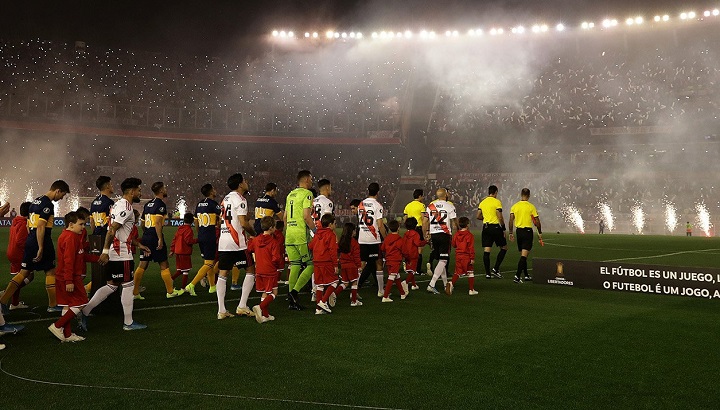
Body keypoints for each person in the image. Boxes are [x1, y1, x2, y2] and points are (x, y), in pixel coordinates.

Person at [0, 180, 70, 313]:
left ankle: (3, 301)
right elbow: (41, 226)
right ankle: (52, 304)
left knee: (23, 272)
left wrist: (31, 241)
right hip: (41, 240)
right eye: (62, 195)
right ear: (58, 191)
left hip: (30, 240)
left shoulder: (35, 201)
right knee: (50, 271)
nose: (61, 198)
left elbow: (28, 225)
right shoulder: (47, 204)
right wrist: (41, 247)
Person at [93, 177, 150, 331]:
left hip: (116, 251)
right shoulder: (127, 207)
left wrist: (139, 244)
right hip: (121, 253)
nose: (140, 192)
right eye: (138, 190)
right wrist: (105, 252)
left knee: (111, 286)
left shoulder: (117, 204)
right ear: (132, 192)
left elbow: (122, 233)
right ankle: (128, 322)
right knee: (128, 286)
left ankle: (85, 311)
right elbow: (112, 230)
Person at [215, 173, 256, 319]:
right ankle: (242, 306)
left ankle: (221, 310)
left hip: (224, 241)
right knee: (251, 270)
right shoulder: (241, 199)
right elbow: (244, 223)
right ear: (240, 185)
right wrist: (254, 233)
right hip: (237, 242)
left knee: (223, 273)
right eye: (244, 181)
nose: (246, 182)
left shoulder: (225, 199)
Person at [133, 181, 184, 299]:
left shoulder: (148, 204)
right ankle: (170, 292)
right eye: (164, 188)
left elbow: (142, 223)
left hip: (146, 236)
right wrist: (159, 238)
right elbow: (157, 223)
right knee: (164, 264)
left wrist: (146, 234)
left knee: (142, 265)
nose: (166, 189)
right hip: (155, 237)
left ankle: (135, 293)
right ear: (161, 191)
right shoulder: (160, 205)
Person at [48, 212, 91, 342]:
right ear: (71, 225)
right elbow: (69, 261)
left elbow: (79, 256)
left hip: (62, 276)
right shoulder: (71, 237)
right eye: (81, 224)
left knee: (67, 305)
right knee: (82, 302)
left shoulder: (65, 235)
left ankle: (67, 335)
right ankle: (57, 325)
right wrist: (69, 281)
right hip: (71, 277)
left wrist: (96, 259)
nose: (83, 227)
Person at [284, 170, 315, 310]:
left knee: (295, 265)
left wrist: (288, 231)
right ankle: (295, 293)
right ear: (307, 179)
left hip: (289, 235)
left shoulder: (290, 194)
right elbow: (306, 216)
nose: (312, 181)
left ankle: (291, 300)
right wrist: (315, 231)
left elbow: (284, 217)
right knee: (311, 264)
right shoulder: (307, 194)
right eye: (311, 179)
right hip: (301, 235)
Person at [185, 184, 222, 296]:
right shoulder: (213, 204)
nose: (215, 191)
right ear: (211, 192)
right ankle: (191, 285)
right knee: (209, 263)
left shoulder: (199, 204)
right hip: (210, 235)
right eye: (214, 189)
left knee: (207, 262)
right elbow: (221, 218)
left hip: (201, 235)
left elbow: (196, 221)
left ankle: (212, 286)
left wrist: (200, 231)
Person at [423, 188, 458, 294]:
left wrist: (426, 234)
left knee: (441, 260)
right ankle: (432, 284)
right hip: (445, 234)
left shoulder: (430, 206)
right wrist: (455, 236)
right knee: (444, 260)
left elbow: (425, 222)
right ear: (445, 194)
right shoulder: (450, 206)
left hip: (434, 235)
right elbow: (454, 223)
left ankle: (445, 284)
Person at [249, 216, 283, 323]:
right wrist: (278, 266)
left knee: (264, 293)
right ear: (272, 228)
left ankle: (265, 315)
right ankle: (260, 307)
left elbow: (249, 249)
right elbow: (276, 258)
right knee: (274, 292)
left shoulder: (256, 240)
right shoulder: (274, 242)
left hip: (259, 270)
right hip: (270, 271)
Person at [357, 182, 387, 296]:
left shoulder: (361, 204)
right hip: (374, 239)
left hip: (362, 239)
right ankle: (381, 290)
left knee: (362, 264)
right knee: (379, 263)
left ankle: (354, 291)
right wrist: (386, 238)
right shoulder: (377, 205)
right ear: (378, 192)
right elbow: (380, 225)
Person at [509, 188, 542, 284]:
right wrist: (540, 232)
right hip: (527, 232)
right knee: (524, 255)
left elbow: (511, 220)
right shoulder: (531, 206)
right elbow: (537, 222)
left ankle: (526, 275)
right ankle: (517, 276)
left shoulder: (515, 206)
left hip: (518, 232)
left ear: (521, 194)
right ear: (529, 195)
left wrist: (510, 233)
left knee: (523, 254)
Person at [309, 213, 339, 315]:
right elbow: (332, 251)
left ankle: (318, 309)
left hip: (316, 262)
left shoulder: (317, 234)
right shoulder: (331, 234)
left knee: (320, 285)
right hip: (326, 262)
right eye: (334, 223)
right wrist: (335, 265)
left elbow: (311, 246)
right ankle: (323, 301)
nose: (335, 225)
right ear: (330, 224)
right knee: (335, 281)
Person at [477, 185, 507, 280]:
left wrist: (485, 218)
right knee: (504, 247)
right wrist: (503, 228)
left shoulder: (482, 202)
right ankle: (495, 269)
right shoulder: (497, 202)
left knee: (487, 250)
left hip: (486, 227)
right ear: (496, 192)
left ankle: (487, 273)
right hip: (495, 227)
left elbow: (478, 216)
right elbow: (500, 217)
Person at [6, 202, 31, 310]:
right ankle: (7, 292)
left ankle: (14, 303)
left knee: (19, 277)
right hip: (19, 255)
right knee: (29, 275)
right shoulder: (23, 223)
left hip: (12, 252)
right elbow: (20, 241)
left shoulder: (16, 221)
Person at [380, 220, 408, 302]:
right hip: (396, 260)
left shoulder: (387, 238)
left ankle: (402, 293)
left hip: (388, 260)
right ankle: (385, 296)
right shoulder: (400, 239)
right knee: (392, 277)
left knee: (396, 276)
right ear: (398, 228)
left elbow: (382, 248)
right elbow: (404, 251)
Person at [448, 217, 478, 295]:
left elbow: (453, 245)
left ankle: (451, 283)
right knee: (470, 272)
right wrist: (472, 258)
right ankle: (471, 290)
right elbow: (471, 247)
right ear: (467, 225)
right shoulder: (469, 235)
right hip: (466, 256)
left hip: (458, 256)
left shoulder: (457, 234)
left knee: (457, 272)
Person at [336, 222, 362, 306]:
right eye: (354, 230)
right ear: (352, 231)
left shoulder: (341, 241)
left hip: (343, 265)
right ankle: (354, 301)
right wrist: (359, 266)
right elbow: (356, 256)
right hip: (352, 266)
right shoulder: (354, 243)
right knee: (354, 283)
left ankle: (333, 295)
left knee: (345, 283)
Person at [170, 213, 197, 289]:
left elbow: (174, 239)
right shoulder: (189, 230)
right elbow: (188, 241)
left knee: (180, 270)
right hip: (184, 252)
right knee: (185, 271)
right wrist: (197, 240)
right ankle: (183, 288)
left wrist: (172, 250)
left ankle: (170, 280)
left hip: (177, 251)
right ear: (192, 221)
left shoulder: (180, 228)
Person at [403, 189, 426, 275]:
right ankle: (417, 270)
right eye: (422, 196)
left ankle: (408, 266)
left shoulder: (408, 205)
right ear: (419, 196)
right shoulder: (422, 205)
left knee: (410, 249)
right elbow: (423, 219)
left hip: (410, 229)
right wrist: (425, 230)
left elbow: (405, 218)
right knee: (419, 250)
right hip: (418, 228)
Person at [402, 217, 427, 291]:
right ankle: (405, 282)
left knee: (410, 270)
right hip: (413, 254)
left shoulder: (406, 234)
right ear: (415, 225)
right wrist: (425, 242)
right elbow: (418, 243)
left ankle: (414, 284)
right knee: (413, 271)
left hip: (406, 254)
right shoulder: (415, 234)